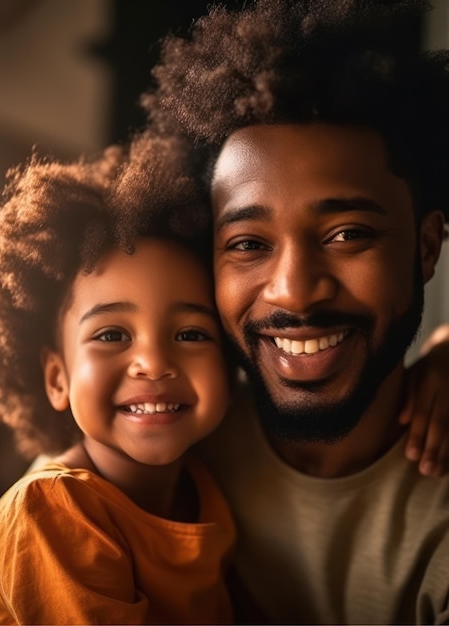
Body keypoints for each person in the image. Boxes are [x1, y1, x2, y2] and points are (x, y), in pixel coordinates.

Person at [140, 0, 449, 622]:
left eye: (347, 235)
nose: (295, 292)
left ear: (425, 247)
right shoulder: (154, 449)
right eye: (249, 244)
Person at [0, 134, 236, 625]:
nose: (154, 363)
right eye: (113, 333)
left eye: (191, 333)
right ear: (57, 378)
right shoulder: (51, 510)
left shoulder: (209, 481)